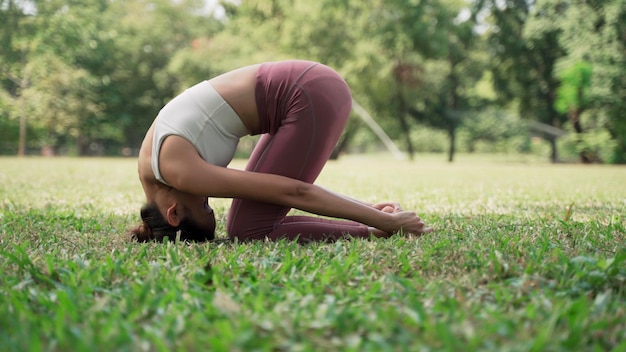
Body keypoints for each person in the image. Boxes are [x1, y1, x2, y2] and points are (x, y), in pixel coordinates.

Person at [129, 60, 433, 243]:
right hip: (306, 89)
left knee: (247, 230)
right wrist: (369, 211)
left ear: (172, 213)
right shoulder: (151, 169)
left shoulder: (178, 172)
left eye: (205, 207)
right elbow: (284, 189)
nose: (208, 197)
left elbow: (294, 192)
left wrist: (386, 224)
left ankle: (380, 228)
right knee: (244, 226)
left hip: (308, 93)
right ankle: (374, 223)